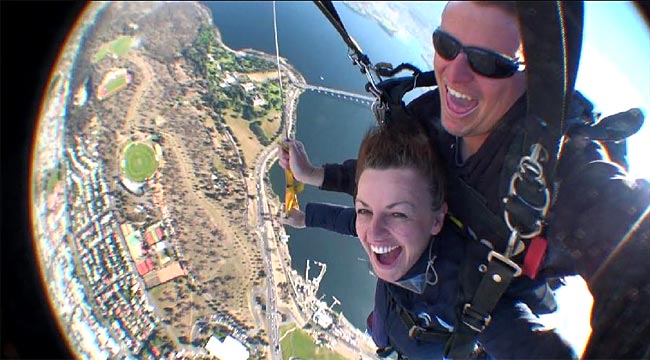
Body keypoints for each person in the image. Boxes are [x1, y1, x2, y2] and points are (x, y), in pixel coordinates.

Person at [279, 1, 650, 358]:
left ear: (534, 78)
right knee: (384, 327)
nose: (454, 76)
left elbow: (635, 266)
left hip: (457, 325)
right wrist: (312, 175)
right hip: (397, 307)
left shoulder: (569, 175)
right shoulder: (429, 117)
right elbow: (380, 185)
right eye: (446, 45)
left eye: (488, 62)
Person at [282, 120, 576, 359]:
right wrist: (305, 210)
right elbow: (349, 220)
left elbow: (524, 342)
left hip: (425, 349)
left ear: (437, 220)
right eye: (365, 210)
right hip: (390, 321)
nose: (373, 233)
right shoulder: (398, 248)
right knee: (380, 333)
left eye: (398, 215)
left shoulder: (468, 287)